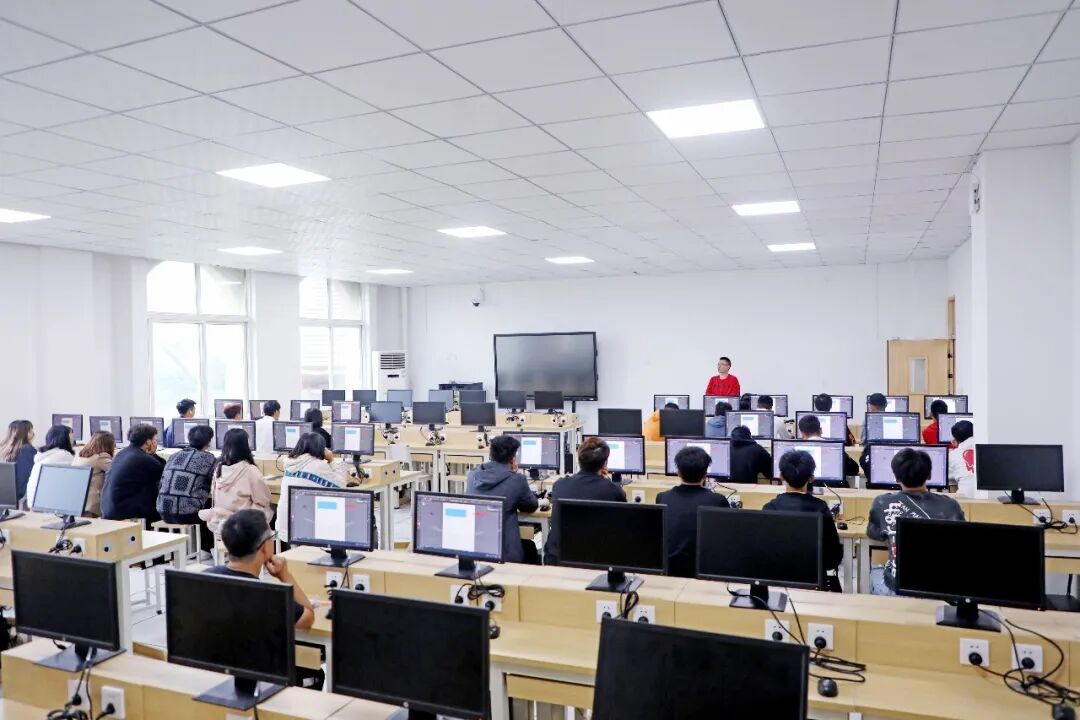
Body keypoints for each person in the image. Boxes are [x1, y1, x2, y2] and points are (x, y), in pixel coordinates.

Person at [867, 448, 965, 595]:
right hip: (942, 588)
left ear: (897, 478)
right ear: (929, 475)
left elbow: (874, 534)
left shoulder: (882, 502)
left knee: (875, 571)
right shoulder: (951, 505)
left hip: (898, 586)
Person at [207, 509, 314, 630]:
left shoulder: (205, 578)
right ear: (264, 547)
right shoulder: (271, 597)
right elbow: (307, 619)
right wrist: (285, 576)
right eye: (271, 537)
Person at [763, 450, 843, 590]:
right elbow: (833, 559)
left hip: (775, 585)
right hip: (813, 584)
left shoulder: (769, 508)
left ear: (781, 476)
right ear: (811, 478)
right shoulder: (821, 509)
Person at [544, 437, 627, 565]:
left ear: (579, 461)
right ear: (605, 464)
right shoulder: (613, 490)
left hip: (557, 559)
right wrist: (607, 480)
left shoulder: (559, 485)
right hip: (595, 562)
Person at [656, 446, 729, 577]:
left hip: (670, 569)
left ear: (678, 473)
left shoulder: (662, 498)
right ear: (705, 474)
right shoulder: (718, 500)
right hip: (703, 570)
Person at [465, 434, 540, 564]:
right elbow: (531, 505)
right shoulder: (516, 480)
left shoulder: (473, 475)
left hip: (474, 547)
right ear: (513, 459)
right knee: (531, 547)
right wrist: (514, 474)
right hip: (505, 552)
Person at [201, 428, 274, 536]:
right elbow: (264, 499)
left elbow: (213, 492)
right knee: (270, 509)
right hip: (243, 524)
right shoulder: (250, 470)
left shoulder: (219, 468)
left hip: (221, 523)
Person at [157, 425, 216, 551]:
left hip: (163, 511)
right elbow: (216, 481)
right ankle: (208, 549)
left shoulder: (174, 455)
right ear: (208, 442)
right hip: (186, 514)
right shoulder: (209, 458)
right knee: (212, 505)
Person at [279, 432, 347, 542]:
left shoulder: (289, 464)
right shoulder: (318, 465)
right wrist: (332, 461)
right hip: (305, 530)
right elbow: (340, 486)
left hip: (284, 528)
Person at [101, 423, 167, 523]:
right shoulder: (142, 458)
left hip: (109, 508)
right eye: (154, 439)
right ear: (148, 442)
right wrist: (153, 454)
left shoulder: (122, 453)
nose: (155, 442)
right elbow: (165, 473)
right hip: (123, 511)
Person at [24, 425, 75, 509]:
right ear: (65, 439)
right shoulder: (63, 455)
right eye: (72, 435)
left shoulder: (42, 455)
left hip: (32, 503)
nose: (73, 439)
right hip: (49, 505)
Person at [798, 414, 860, 482]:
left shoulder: (798, 452)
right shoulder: (836, 448)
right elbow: (854, 470)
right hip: (834, 487)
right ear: (821, 430)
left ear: (802, 434)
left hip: (808, 486)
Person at [71, 431, 116, 517]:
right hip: (91, 504)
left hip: (77, 500)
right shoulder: (100, 458)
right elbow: (119, 470)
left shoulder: (80, 455)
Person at [0, 420, 36, 504]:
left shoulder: (4, 450)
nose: (33, 433)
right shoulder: (28, 451)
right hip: (20, 500)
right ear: (27, 433)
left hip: (5, 499)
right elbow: (26, 479)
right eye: (31, 430)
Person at [947, 420, 978, 497]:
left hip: (965, 501)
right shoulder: (984, 450)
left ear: (955, 439)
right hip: (991, 500)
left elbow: (945, 476)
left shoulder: (953, 455)